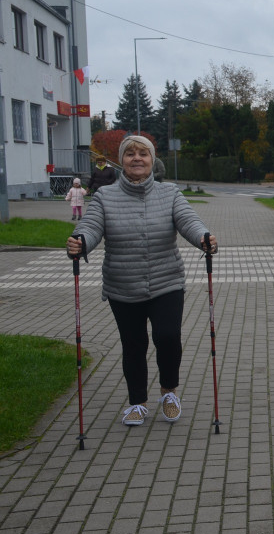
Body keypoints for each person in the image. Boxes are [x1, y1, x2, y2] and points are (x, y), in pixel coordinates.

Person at [67, 135, 218, 427]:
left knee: (168, 337)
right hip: (122, 286)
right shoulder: (105, 196)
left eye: (143, 154)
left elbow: (188, 220)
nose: (137, 158)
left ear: (152, 161)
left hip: (167, 281)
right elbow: (91, 225)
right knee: (133, 344)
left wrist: (203, 237)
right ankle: (137, 403)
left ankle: (169, 392)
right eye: (130, 154)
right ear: (121, 161)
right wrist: (80, 241)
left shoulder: (170, 193)